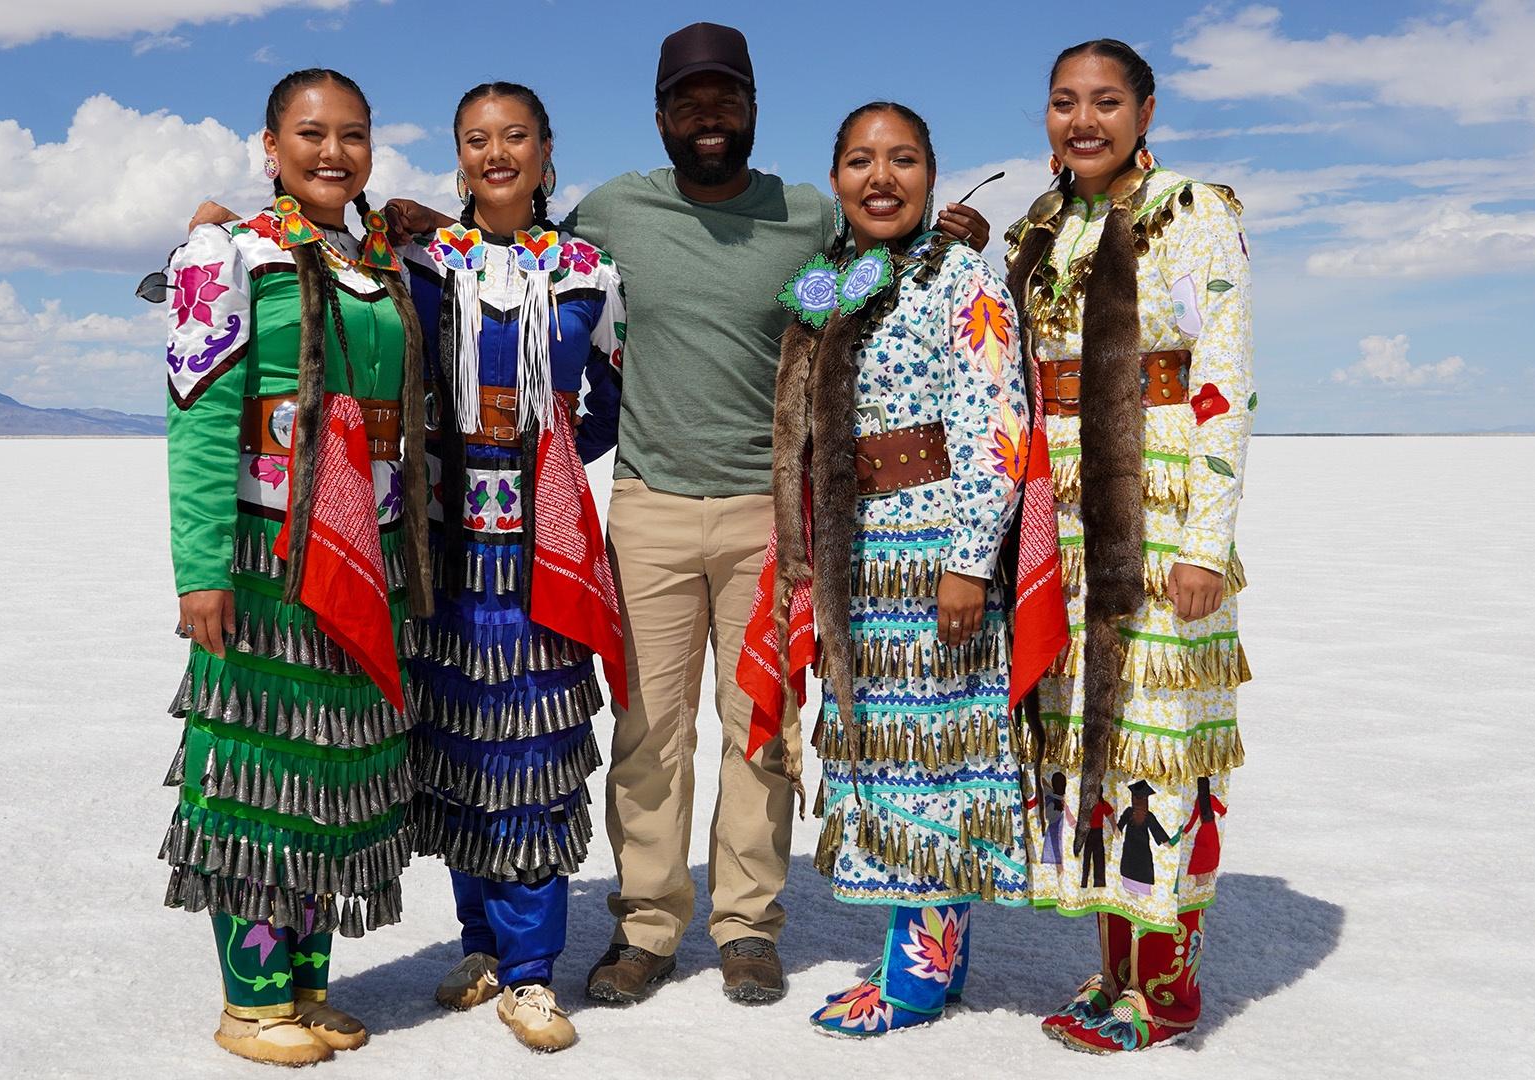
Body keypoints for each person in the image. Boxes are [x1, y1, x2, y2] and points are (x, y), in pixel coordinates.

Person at [375, 22, 993, 1007]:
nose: (708, 115)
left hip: (769, 514)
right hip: (649, 507)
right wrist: (401, 223)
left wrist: (942, 236)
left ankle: (747, 925)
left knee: (760, 726)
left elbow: (874, 255)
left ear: (751, 106)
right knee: (649, 730)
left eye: (725, 98)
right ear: (661, 116)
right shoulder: (613, 211)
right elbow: (507, 239)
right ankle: (650, 925)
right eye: (687, 101)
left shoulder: (800, 213)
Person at [740, 101, 1038, 1036]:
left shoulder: (962, 278)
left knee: (936, 758)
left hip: (935, 547)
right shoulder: (832, 282)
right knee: (891, 756)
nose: (881, 177)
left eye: (902, 159)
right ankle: (930, 962)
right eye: (861, 161)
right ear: (835, 179)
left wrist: (967, 560)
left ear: (931, 174)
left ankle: (912, 980)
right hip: (856, 553)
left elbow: (999, 422)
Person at [156, 68, 431, 1066]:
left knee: (331, 767)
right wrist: (200, 572)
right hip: (268, 563)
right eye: (309, 134)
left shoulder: (380, 262)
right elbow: (197, 428)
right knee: (259, 774)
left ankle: (309, 990)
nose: (332, 152)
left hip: (372, 559)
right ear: (268, 146)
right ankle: (252, 1004)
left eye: (352, 135)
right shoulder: (224, 255)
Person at [1001, 39, 1255, 1053]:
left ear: (1147, 112)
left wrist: (1205, 540)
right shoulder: (1042, 227)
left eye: (1108, 102)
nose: (1085, 120)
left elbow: (1222, 382)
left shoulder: (1192, 214)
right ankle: (1113, 970)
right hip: (1056, 520)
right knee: (1088, 744)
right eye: (1065, 102)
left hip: (1158, 512)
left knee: (1156, 746)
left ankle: (1166, 988)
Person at [396, 81, 625, 1053]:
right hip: (444, 546)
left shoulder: (587, 273)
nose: (497, 153)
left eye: (515, 137)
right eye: (477, 140)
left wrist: (549, 457)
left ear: (544, 150)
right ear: (459, 158)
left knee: (532, 750)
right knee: (459, 744)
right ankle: (480, 941)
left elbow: (611, 399)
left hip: (541, 548)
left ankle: (533, 975)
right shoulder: (423, 263)